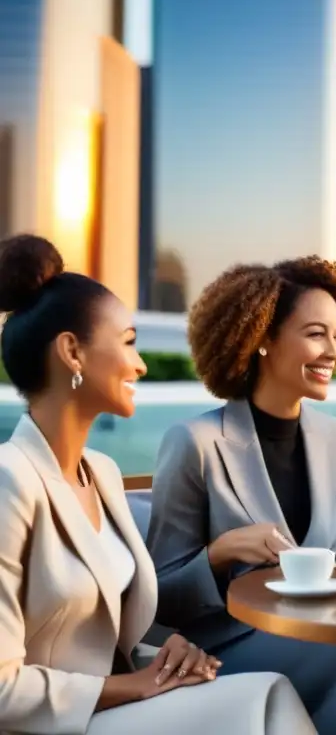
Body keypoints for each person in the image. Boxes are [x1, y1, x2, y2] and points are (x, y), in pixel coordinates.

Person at [0, 235, 314, 734]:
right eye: (127, 343)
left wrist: (166, 659)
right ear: (71, 352)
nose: (140, 364)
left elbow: (110, 643)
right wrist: (138, 684)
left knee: (264, 694)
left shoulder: (100, 472)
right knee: (266, 695)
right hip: (52, 724)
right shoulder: (10, 480)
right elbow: (3, 690)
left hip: (113, 708)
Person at [145, 258, 336, 735]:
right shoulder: (194, 442)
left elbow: (334, 558)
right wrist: (220, 553)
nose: (333, 353)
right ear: (261, 338)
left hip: (317, 631)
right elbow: (157, 599)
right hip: (229, 646)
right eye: (316, 334)